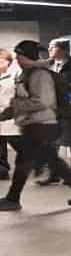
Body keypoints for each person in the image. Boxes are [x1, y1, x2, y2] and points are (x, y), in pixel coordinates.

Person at [0, 41, 71, 211]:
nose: (17, 58)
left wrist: (16, 105)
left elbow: (43, 101)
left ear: (27, 56)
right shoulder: (28, 73)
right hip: (36, 125)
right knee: (50, 161)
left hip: (42, 125)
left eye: (19, 55)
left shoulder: (39, 75)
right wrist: (7, 113)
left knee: (26, 162)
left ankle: (13, 199)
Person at [38, 39, 71, 185]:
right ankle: (54, 173)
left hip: (69, 111)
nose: (49, 50)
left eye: (52, 47)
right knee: (50, 143)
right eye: (48, 47)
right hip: (52, 111)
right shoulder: (49, 65)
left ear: (63, 49)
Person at [0, 49, 15, 180]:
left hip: (7, 116)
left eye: (2, 60)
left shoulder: (13, 77)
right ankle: (2, 169)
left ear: (8, 62)